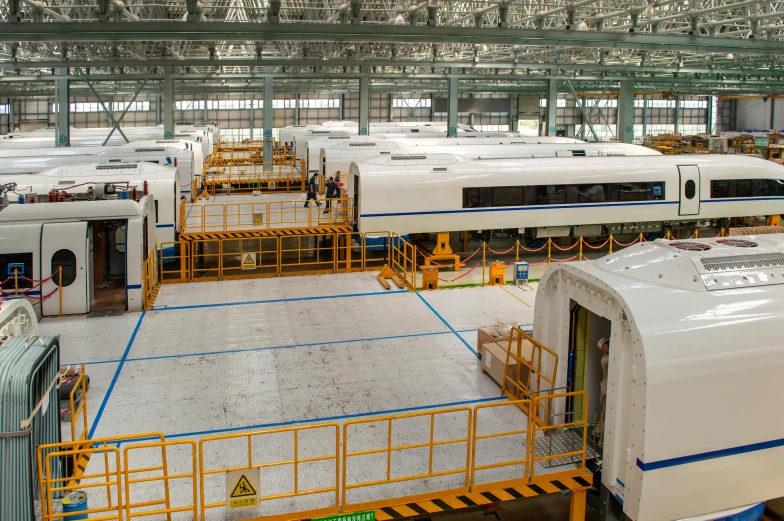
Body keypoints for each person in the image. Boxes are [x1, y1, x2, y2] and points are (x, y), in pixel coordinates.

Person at [596, 336, 610, 449]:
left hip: (604, 389)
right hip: (605, 390)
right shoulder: (606, 359)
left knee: (603, 414)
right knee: (604, 414)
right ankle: (602, 440)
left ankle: (597, 432)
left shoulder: (606, 358)